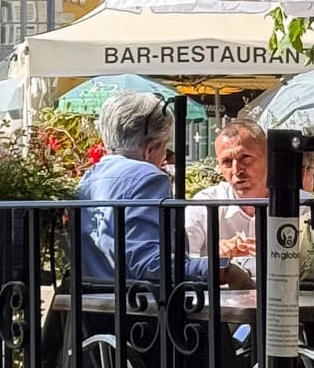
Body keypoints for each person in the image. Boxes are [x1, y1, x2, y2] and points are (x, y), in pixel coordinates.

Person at [79, 93, 219, 284]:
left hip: (92, 302)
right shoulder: (148, 177)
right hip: (138, 305)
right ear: (150, 148)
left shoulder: (89, 178)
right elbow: (149, 264)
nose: (165, 157)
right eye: (166, 147)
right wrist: (220, 269)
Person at [184, 117, 269, 272]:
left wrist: (278, 256)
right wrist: (214, 261)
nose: (237, 170)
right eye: (227, 162)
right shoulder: (204, 204)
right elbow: (184, 264)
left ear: (269, 157)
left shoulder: (300, 205)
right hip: (219, 296)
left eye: (245, 158)